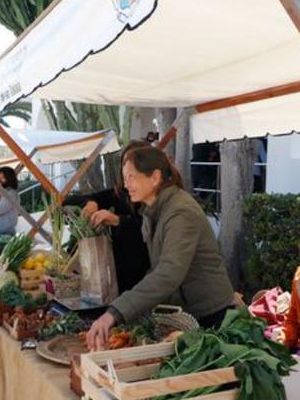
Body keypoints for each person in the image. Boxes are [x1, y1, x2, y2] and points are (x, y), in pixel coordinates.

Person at [87, 147, 237, 350]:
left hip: (212, 317)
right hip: (189, 315)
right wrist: (135, 314)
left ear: (155, 177)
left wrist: (115, 313)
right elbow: (156, 270)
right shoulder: (154, 210)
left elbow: (168, 274)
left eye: (131, 177)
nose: (126, 184)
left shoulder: (181, 212)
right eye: (124, 178)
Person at [64, 141, 151, 293]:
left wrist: (117, 220)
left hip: (145, 267)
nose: (128, 179)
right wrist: (91, 202)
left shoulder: (154, 198)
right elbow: (71, 200)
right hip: (120, 267)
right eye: (125, 167)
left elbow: (149, 226)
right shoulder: (121, 192)